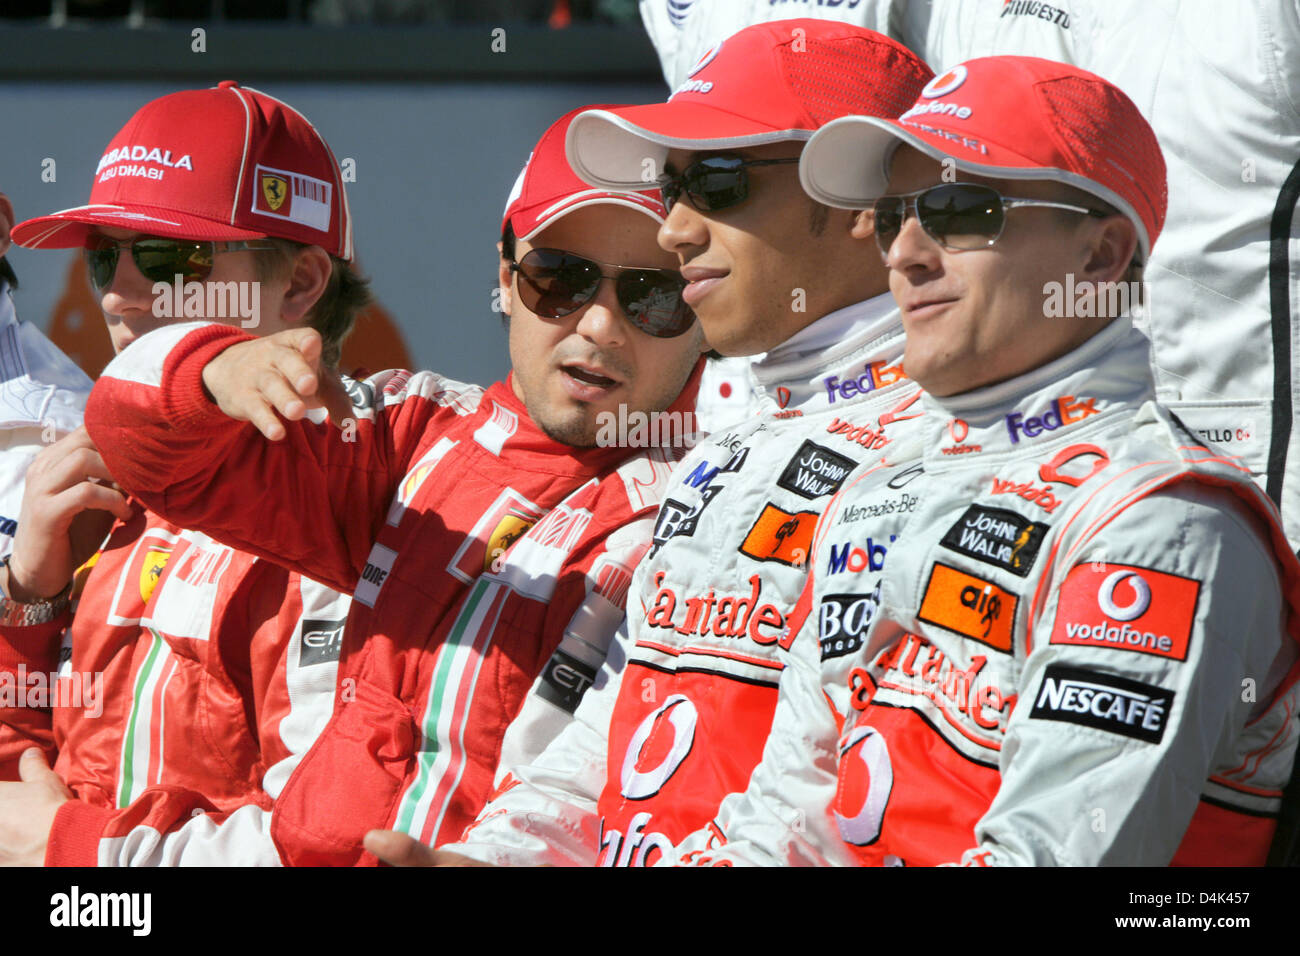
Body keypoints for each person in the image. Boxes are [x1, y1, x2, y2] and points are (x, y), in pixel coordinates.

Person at [678, 55, 1300, 866]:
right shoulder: (881, 483)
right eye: (895, 211)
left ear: (1102, 259)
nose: (902, 252)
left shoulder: (1161, 521)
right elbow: (787, 815)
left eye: (956, 208)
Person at [81, 105, 709, 865]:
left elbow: (604, 795)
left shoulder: (709, 511)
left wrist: (76, 855)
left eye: (653, 294)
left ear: (703, 308)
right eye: (561, 279)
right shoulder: (411, 429)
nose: (601, 326)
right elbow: (153, 451)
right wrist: (208, 369)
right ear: (506, 279)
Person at [380, 19, 935, 868]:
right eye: (671, 188)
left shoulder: (951, 456)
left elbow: (826, 810)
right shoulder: (731, 440)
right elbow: (617, 729)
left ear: (863, 197)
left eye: (713, 182)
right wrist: (493, 860)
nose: (673, 232)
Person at [0, 81, 366, 865]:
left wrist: (75, 857)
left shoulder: (364, 498)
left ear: (301, 283)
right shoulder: (94, 477)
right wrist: (25, 603)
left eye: (171, 258)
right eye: (106, 258)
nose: (120, 296)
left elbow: (328, 843)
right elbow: (16, 801)